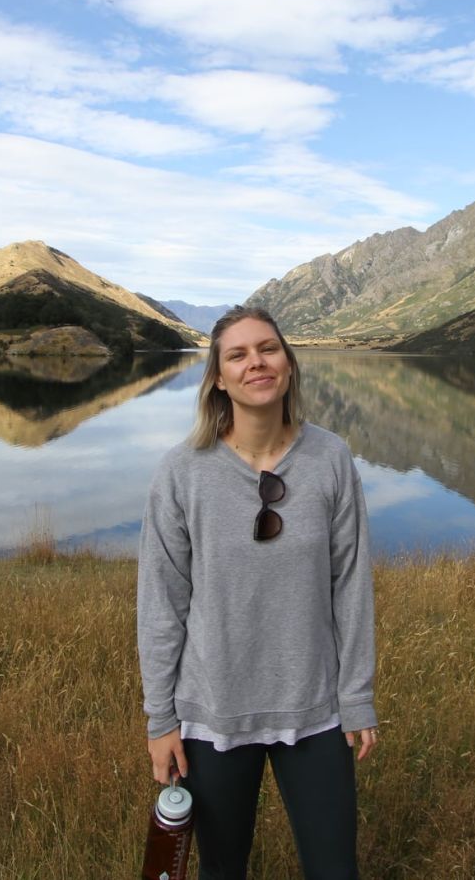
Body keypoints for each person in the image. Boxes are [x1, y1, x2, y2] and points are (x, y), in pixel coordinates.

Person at [137, 306, 378, 879]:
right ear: (218, 377)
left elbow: (351, 585)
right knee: (222, 870)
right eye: (238, 355)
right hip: (214, 711)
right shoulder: (182, 472)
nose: (256, 363)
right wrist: (160, 720)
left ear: (288, 365)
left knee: (335, 871)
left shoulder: (331, 459)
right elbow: (161, 604)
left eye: (268, 349)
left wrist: (358, 695)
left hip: (315, 707)